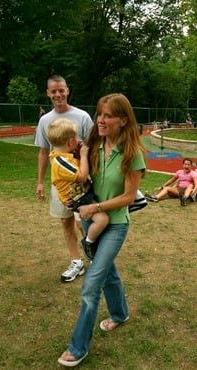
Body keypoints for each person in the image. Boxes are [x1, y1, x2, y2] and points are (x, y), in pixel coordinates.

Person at [57, 93, 146, 367]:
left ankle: (78, 346)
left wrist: (95, 209)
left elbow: (129, 197)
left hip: (115, 224)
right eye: (99, 114)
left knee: (92, 282)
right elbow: (81, 177)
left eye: (108, 115)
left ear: (123, 120)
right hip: (89, 220)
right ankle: (119, 314)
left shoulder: (133, 154)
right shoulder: (93, 146)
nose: (101, 120)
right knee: (107, 271)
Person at [35, 75, 94, 282]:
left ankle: (94, 256)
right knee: (66, 221)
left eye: (61, 90)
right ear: (48, 93)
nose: (58, 94)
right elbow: (44, 152)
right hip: (60, 183)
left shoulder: (83, 117)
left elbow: (93, 147)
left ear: (67, 90)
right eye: (53, 91)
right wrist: (40, 181)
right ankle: (76, 262)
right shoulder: (45, 120)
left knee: (83, 222)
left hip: (81, 181)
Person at [47, 118, 109, 260]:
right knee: (102, 220)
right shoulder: (61, 162)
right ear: (69, 142)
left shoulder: (65, 156)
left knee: (97, 219)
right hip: (78, 199)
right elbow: (82, 176)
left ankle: (93, 241)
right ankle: (89, 243)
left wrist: (76, 152)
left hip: (80, 194)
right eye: (75, 138)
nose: (77, 140)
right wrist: (83, 155)